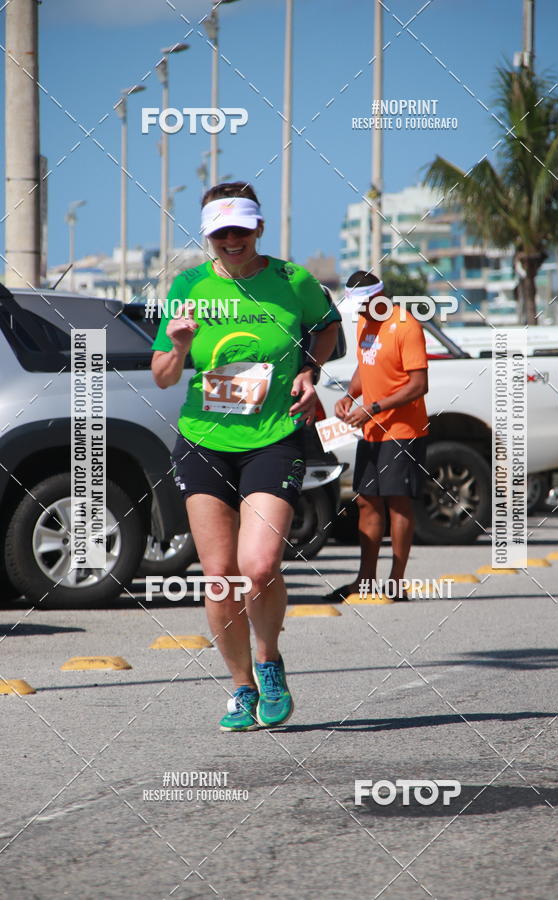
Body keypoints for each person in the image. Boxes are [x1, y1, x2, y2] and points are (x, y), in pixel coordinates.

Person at [151, 182, 340, 732]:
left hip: (274, 437)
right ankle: (240, 686)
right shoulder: (189, 286)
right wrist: (179, 345)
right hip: (204, 441)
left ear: (259, 227)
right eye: (221, 233)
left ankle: (268, 660)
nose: (232, 240)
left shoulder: (293, 281)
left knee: (258, 566)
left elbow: (328, 326)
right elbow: (162, 375)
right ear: (207, 235)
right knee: (218, 575)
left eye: (241, 230)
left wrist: (309, 369)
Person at [328, 270, 429, 601]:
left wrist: (373, 407)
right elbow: (365, 364)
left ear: (378, 297)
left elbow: (418, 385)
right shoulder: (364, 322)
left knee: (398, 503)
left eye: (362, 304)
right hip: (371, 430)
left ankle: (397, 581)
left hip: (403, 430)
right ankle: (365, 581)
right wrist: (350, 394)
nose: (359, 311)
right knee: (366, 501)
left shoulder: (405, 325)